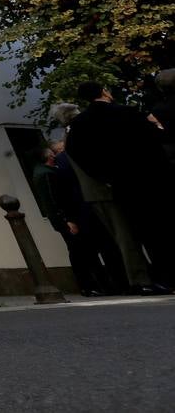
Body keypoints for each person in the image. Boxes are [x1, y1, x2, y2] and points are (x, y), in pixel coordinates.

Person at [65, 81, 175, 284]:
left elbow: (75, 152)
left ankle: (162, 278)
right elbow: (158, 137)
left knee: (141, 230)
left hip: (121, 184)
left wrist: (103, 177)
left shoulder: (80, 124)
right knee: (161, 229)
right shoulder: (128, 112)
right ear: (104, 92)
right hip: (151, 178)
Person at [31, 146, 106, 296]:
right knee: (79, 251)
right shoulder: (47, 174)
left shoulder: (45, 173)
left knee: (81, 250)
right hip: (66, 219)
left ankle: (93, 285)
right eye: (53, 154)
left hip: (65, 218)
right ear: (50, 157)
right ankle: (87, 286)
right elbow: (54, 200)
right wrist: (67, 220)